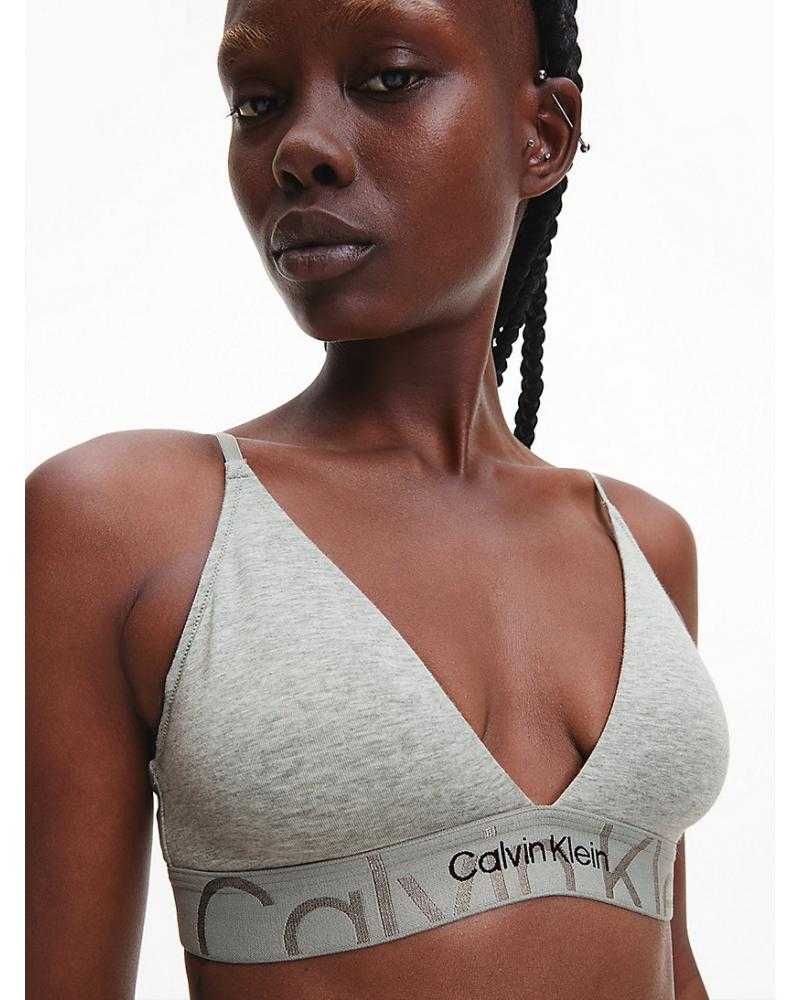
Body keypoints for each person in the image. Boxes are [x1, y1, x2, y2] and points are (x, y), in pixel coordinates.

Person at [26, 1, 729, 998]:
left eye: (389, 79)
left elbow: (666, 956)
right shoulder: (129, 523)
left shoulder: (641, 544)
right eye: (258, 103)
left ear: (543, 136)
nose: (298, 149)